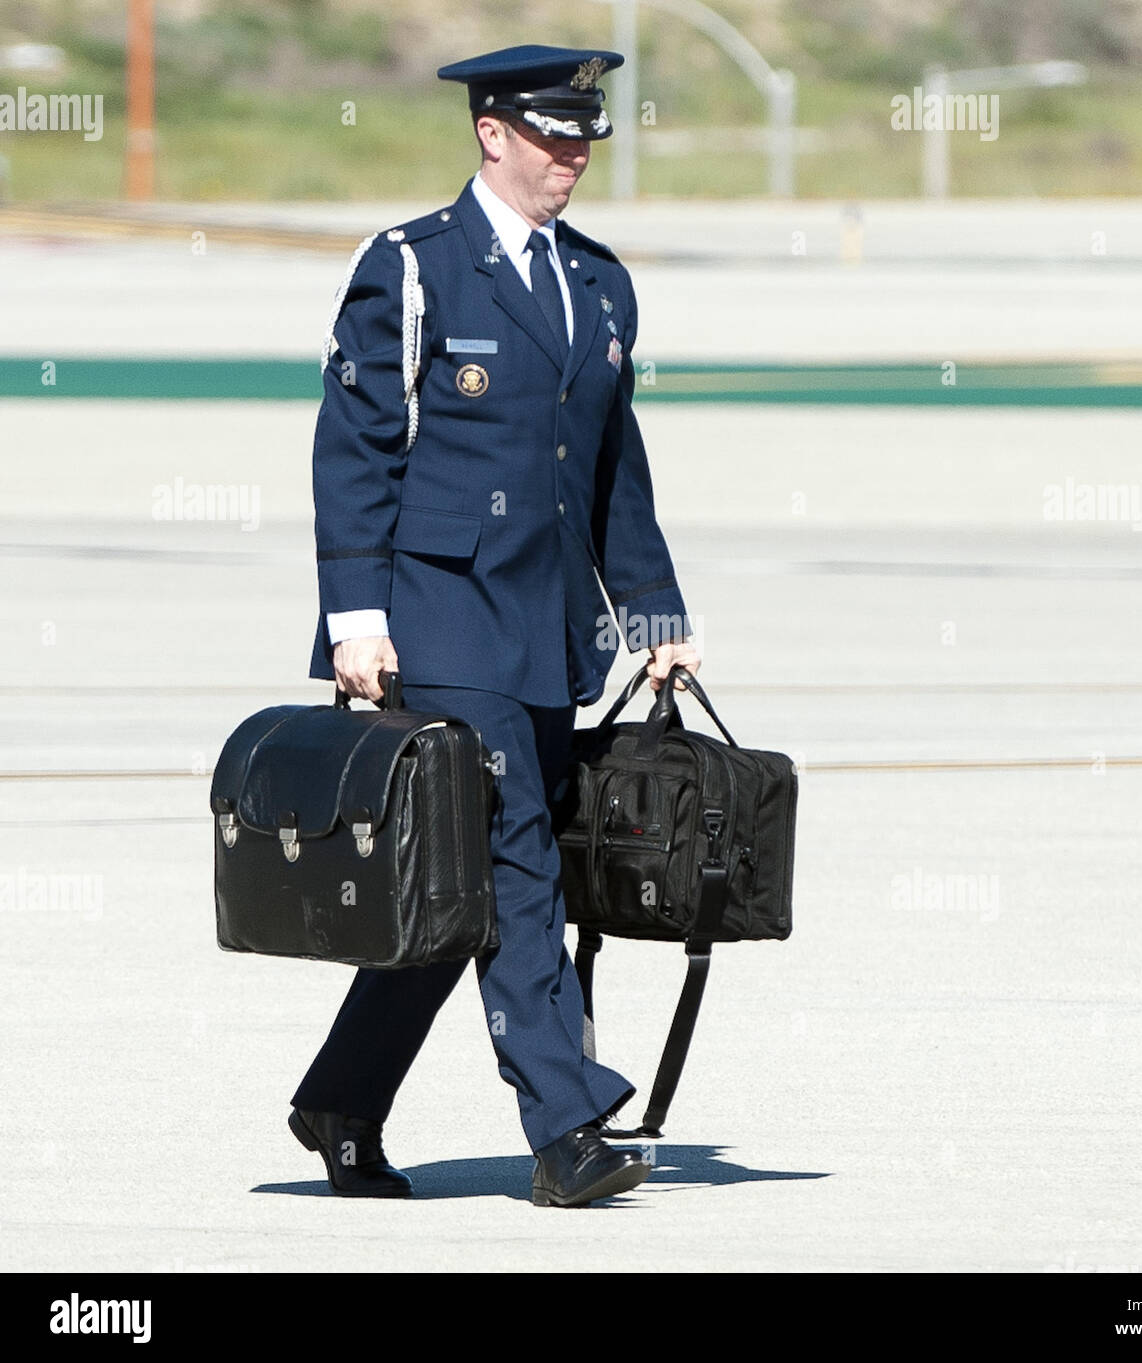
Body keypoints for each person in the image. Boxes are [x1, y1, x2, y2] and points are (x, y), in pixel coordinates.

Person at [288, 44, 701, 1208]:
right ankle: (566, 1126)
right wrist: (353, 616)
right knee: (517, 859)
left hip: (546, 625)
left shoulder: (600, 282)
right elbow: (355, 448)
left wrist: (653, 608)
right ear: (490, 132)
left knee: (452, 880)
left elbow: (611, 467)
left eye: (585, 138)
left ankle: (342, 1099)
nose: (572, 156)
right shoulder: (413, 268)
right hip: (435, 618)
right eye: (551, 135)